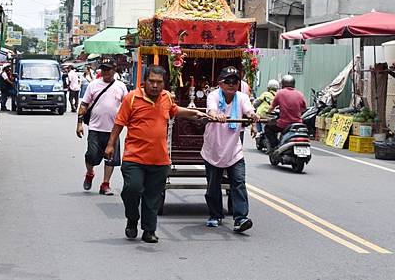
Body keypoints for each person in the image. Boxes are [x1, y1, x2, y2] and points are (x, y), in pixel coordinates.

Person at [105, 65, 207, 243]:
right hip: (134, 158)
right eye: (151, 81)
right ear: (144, 81)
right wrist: (110, 145)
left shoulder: (166, 97)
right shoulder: (131, 98)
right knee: (132, 189)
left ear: (164, 84)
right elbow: (119, 122)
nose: (154, 85)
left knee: (153, 197)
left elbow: (175, 110)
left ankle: (149, 230)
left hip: (159, 159)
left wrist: (194, 113)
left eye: (159, 82)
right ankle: (132, 218)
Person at [202, 66, 259, 233]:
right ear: (221, 83)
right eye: (228, 81)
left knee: (239, 183)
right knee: (213, 186)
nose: (232, 84)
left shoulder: (242, 97)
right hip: (213, 149)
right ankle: (215, 214)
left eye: (235, 81)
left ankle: (240, 217)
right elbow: (211, 110)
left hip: (234, 150)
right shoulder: (213, 96)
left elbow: (249, 111)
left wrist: (253, 118)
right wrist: (215, 115)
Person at [76, 57, 128, 195]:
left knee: (110, 159)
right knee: (92, 155)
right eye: (103, 69)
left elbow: (127, 106)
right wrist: (79, 123)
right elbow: (84, 105)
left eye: (108, 69)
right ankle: (90, 172)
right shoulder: (93, 85)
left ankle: (105, 184)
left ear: (114, 69)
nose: (105, 72)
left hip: (113, 129)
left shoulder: (121, 86)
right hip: (95, 128)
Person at [265, 75, 307, 147]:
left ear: (283, 84)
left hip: (283, 124)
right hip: (297, 124)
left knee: (268, 128)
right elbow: (304, 108)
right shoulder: (300, 94)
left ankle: (275, 146)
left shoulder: (280, 93)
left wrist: (268, 112)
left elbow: (272, 107)